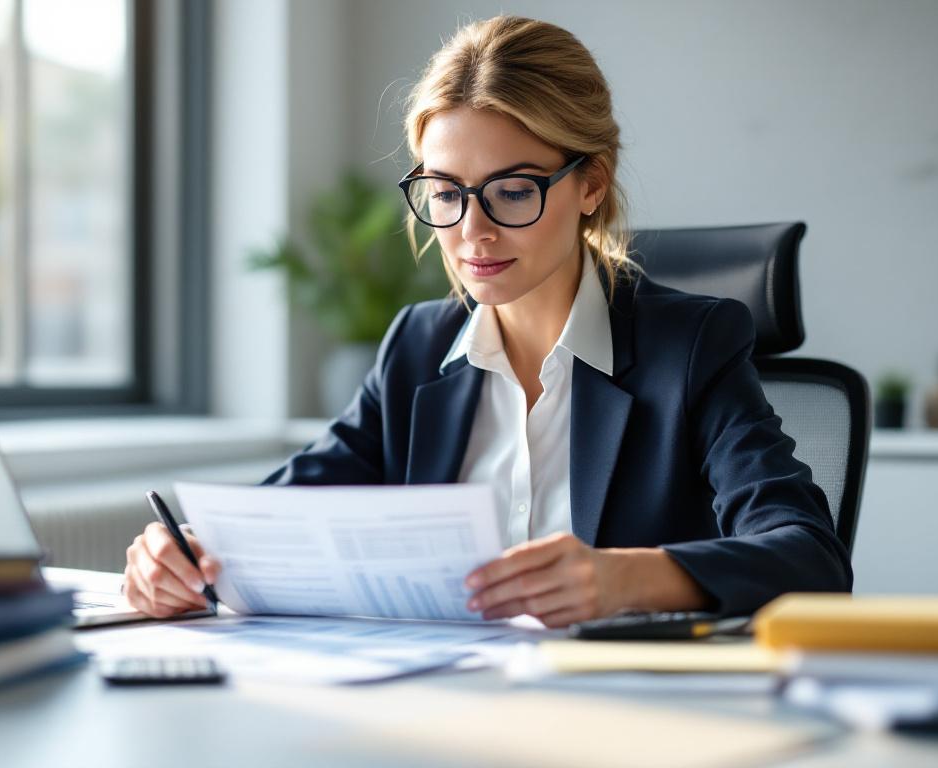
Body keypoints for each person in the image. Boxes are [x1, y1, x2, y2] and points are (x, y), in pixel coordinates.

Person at [122, 15, 851, 626]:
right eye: (445, 192)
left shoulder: (689, 348)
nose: (473, 231)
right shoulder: (418, 347)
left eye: (512, 190)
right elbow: (282, 519)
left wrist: (621, 579)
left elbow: (809, 556)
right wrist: (185, 555)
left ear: (590, 183)